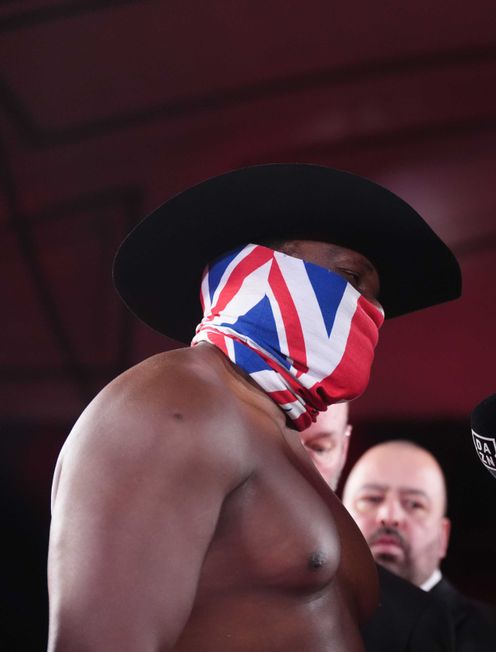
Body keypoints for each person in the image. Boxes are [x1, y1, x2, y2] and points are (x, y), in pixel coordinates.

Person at [46, 164, 461, 651]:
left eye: (374, 296)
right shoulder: (174, 401)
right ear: (264, 265)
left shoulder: (274, 432)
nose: (369, 312)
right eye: (350, 278)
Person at [343, 440, 496, 652]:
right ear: (336, 522)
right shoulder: (314, 625)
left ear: (442, 536)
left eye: (414, 504)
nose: (389, 516)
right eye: (371, 499)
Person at [299, 403, 456, 651]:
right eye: (371, 499)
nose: (389, 516)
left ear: (343, 449)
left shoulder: (412, 622)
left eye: (320, 448)